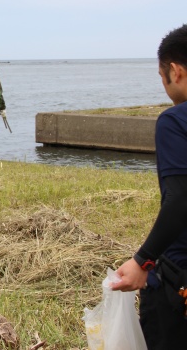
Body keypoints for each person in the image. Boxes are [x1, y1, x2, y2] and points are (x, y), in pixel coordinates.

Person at [111, 24, 187, 349]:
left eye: (162, 77)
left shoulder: (174, 121)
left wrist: (143, 260)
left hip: (177, 286)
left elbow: (181, 199)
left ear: (175, 71)